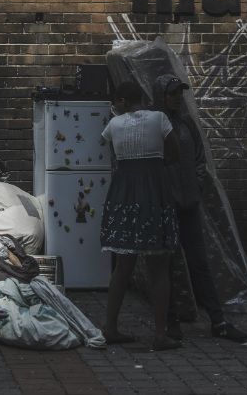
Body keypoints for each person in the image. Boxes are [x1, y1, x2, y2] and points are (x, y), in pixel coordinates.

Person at [155, 73, 247, 345]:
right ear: (161, 95)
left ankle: (217, 320)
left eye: (179, 93)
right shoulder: (154, 125)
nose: (176, 98)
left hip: (189, 204)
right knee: (169, 265)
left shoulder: (186, 124)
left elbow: (199, 159)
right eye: (171, 93)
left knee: (200, 263)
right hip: (167, 205)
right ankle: (171, 321)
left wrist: (195, 187)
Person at [101, 81, 182, 352]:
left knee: (123, 265)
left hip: (124, 192)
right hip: (154, 191)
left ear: (122, 101)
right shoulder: (160, 119)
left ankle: (110, 328)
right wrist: (156, 167)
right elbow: (174, 152)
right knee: (159, 266)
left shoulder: (114, 125)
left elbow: (112, 152)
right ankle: (160, 334)